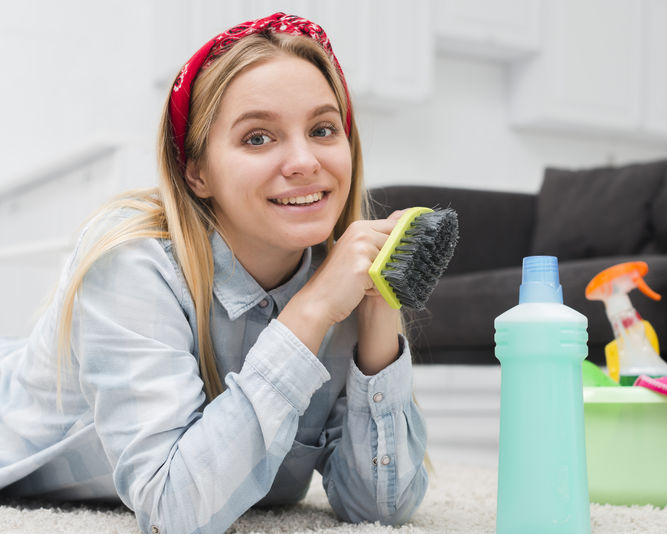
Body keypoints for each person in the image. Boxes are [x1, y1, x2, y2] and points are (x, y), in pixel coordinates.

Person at [0, 13, 428, 534]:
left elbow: (380, 510)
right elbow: (173, 511)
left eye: (322, 129)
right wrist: (310, 312)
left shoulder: (339, 278)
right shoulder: (132, 263)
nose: (303, 160)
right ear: (196, 171)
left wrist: (379, 306)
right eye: (257, 138)